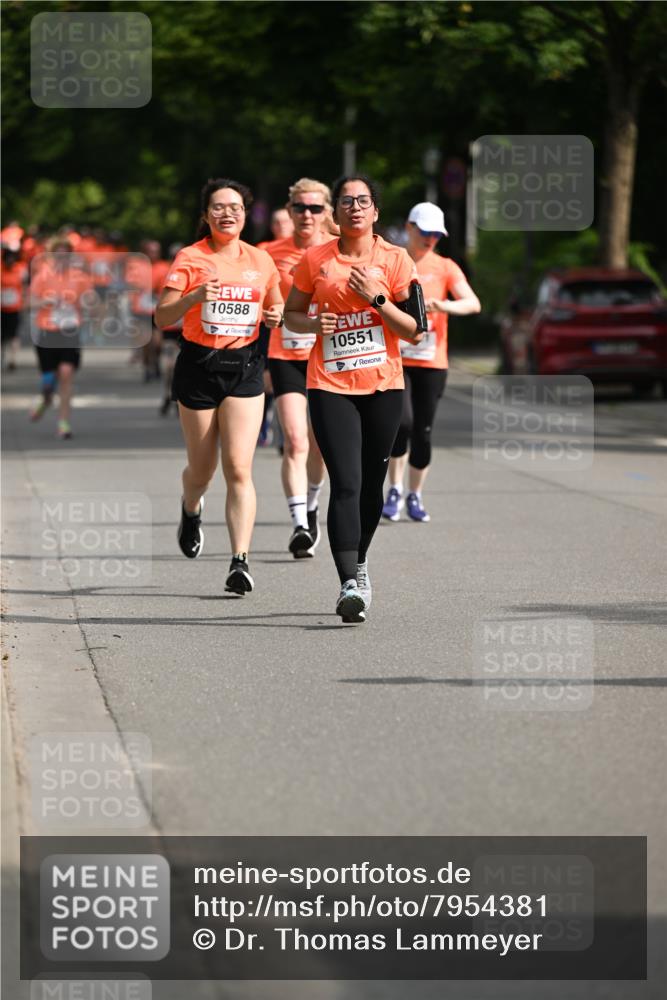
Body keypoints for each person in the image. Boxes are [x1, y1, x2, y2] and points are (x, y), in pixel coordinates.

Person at [284, 175, 423, 623]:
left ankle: (360, 561)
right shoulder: (315, 259)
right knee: (345, 482)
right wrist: (311, 325)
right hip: (330, 384)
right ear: (336, 212)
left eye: (363, 201)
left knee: (370, 486)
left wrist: (377, 299)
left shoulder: (396, 259)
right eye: (346, 201)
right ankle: (348, 583)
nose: (355, 207)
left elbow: (415, 329)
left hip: (384, 386)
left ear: (375, 212)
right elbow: (291, 314)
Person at [154, 177, 283, 595]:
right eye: (219, 207)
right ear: (206, 215)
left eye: (235, 208)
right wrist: (193, 298)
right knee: (202, 470)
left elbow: (276, 304)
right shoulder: (191, 257)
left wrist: (276, 315)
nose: (227, 214)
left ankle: (239, 560)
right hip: (199, 368)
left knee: (239, 467)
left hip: (245, 368)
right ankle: (191, 508)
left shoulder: (261, 259)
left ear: (246, 215)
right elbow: (161, 317)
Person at [382, 202, 481, 522]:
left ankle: (415, 494)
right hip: (396, 358)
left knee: (422, 431)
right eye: (425, 232)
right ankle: (394, 489)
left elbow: (473, 304)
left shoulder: (445, 267)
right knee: (402, 423)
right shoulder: (392, 260)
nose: (430, 239)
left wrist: (442, 306)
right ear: (409, 228)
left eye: (437, 235)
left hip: (431, 361)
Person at [265, 178, 330, 558]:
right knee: (295, 441)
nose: (307, 214)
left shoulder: (338, 251)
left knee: (318, 446)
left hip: (327, 359)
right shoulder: (268, 253)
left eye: (315, 208)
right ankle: (300, 524)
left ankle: (312, 503)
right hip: (286, 356)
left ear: (326, 212)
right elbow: (254, 297)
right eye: (300, 207)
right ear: (290, 211)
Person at [29, 236, 92, 439]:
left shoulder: (79, 277)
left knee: (66, 373)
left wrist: (88, 303)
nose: (62, 259)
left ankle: (63, 423)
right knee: (49, 380)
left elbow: (91, 300)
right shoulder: (42, 276)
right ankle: (45, 400)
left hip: (70, 331)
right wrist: (45, 301)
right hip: (47, 331)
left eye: (66, 255)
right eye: (59, 255)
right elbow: (28, 302)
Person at [1, 242, 27, 371]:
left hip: (15, 308)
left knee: (14, 335)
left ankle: (13, 359)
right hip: (2, 308)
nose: (10, 261)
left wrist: (24, 302)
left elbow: (24, 287)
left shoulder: (20, 270)